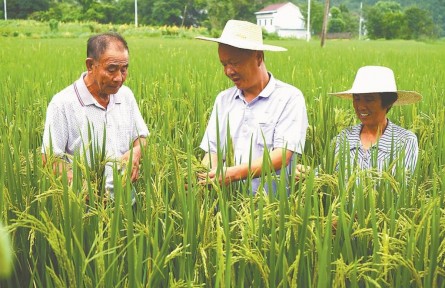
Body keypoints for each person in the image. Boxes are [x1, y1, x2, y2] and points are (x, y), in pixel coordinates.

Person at [196, 20, 309, 193]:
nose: (229, 71)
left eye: (235, 62)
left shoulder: (289, 98)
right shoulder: (223, 100)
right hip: (227, 210)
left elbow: (282, 156)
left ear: (258, 57)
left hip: (272, 210)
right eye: (224, 64)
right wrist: (202, 178)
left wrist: (232, 174)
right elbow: (213, 153)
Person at [41, 32, 149, 202]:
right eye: (111, 69)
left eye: (124, 69)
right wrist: (85, 190)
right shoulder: (63, 104)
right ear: (90, 65)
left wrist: (136, 152)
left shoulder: (126, 95)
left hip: (126, 202)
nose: (119, 78)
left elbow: (141, 137)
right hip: (85, 208)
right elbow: (51, 159)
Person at [296, 65, 422, 180]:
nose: (361, 106)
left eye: (369, 99)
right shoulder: (343, 138)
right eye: (356, 98)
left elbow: (403, 186)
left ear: (388, 102)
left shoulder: (405, 140)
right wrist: (308, 174)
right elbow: (325, 174)